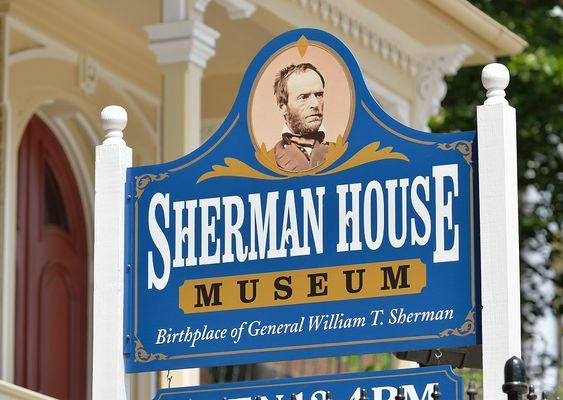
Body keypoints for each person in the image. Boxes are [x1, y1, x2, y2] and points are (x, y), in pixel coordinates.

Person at [272, 63, 330, 172]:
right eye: (303, 97)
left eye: (319, 95)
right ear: (283, 107)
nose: (316, 104)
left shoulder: (341, 154)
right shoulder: (268, 161)